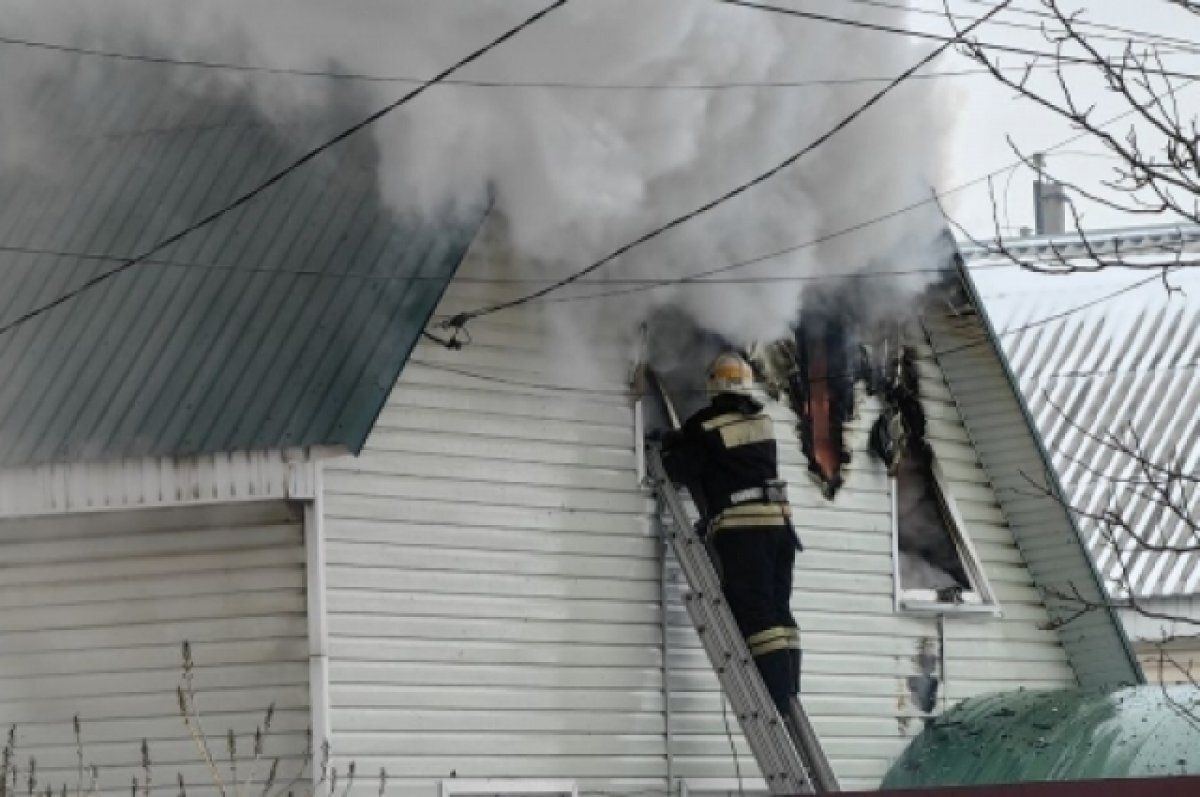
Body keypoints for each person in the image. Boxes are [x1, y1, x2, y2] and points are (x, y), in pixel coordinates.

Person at [659, 352, 802, 717]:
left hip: (745, 531)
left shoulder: (707, 426)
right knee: (779, 609)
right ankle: (789, 688)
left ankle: (774, 697)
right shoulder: (764, 423)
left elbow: (679, 466)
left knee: (755, 611)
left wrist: (668, 443)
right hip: (780, 528)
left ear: (713, 385)